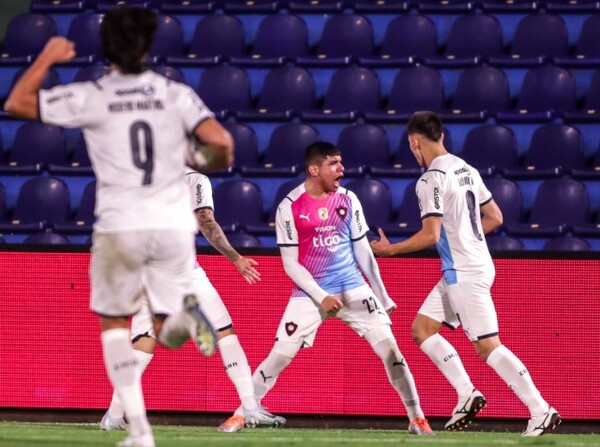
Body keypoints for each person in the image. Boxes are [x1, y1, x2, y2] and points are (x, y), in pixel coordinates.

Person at [5, 7, 234, 447]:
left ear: (105, 46)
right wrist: (200, 160)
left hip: (120, 224)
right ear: (148, 46)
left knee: (116, 324)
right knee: (163, 332)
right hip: (172, 226)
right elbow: (222, 144)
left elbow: (17, 102)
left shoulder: (94, 94)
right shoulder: (175, 93)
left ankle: (141, 433)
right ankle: (184, 320)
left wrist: (48, 57)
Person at [370, 111, 561, 437]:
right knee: (422, 329)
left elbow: (430, 234)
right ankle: (466, 392)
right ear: (441, 136)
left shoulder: (430, 179)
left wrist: (389, 250)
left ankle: (540, 409)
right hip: (472, 265)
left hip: (464, 271)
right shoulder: (466, 169)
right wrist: (465, 237)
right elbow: (496, 216)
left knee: (488, 346)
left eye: (412, 147)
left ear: (414, 143)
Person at [234, 141, 434, 435]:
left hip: (353, 287)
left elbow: (363, 251)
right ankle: (243, 414)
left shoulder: (348, 199)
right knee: (279, 356)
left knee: (392, 352)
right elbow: (291, 264)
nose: (342, 169)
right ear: (314, 169)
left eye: (341, 163)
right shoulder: (289, 207)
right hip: (312, 293)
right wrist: (321, 296)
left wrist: (381, 293)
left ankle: (417, 418)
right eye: (334, 164)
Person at [100, 168, 285, 433]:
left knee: (143, 342)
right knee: (223, 331)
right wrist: (236, 258)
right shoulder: (194, 179)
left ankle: (114, 414)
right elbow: (206, 221)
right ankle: (251, 407)